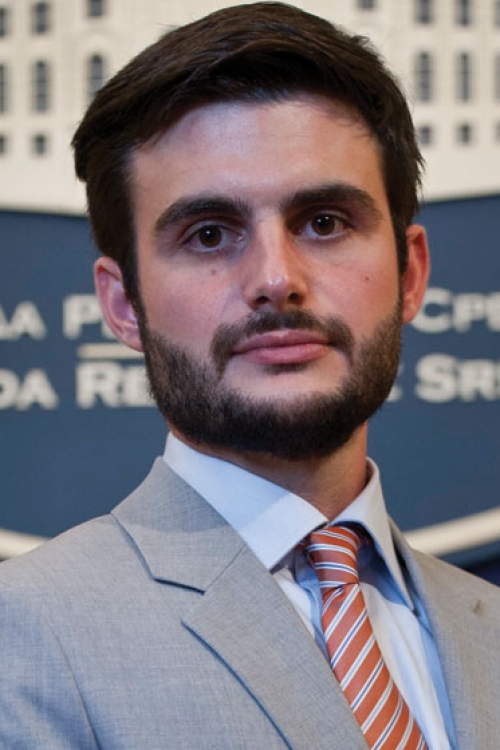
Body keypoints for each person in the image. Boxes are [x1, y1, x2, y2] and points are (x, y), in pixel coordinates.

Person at [1, 3, 499, 747]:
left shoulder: (489, 630)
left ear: (410, 273)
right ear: (123, 304)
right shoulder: (23, 637)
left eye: (324, 222)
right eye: (209, 234)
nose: (276, 279)